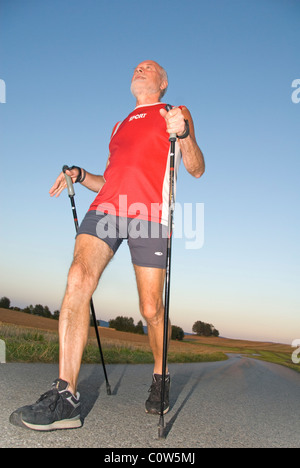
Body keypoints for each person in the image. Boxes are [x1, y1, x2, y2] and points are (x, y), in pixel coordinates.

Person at [10, 60, 205, 431]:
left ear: (163, 82)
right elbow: (111, 180)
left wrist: (184, 135)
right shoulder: (117, 126)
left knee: (150, 308)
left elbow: (196, 168)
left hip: (149, 213)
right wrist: (81, 176)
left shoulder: (175, 113)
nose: (140, 68)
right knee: (77, 277)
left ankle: (161, 375)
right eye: (136, 66)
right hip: (106, 209)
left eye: (149, 67)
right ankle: (65, 395)